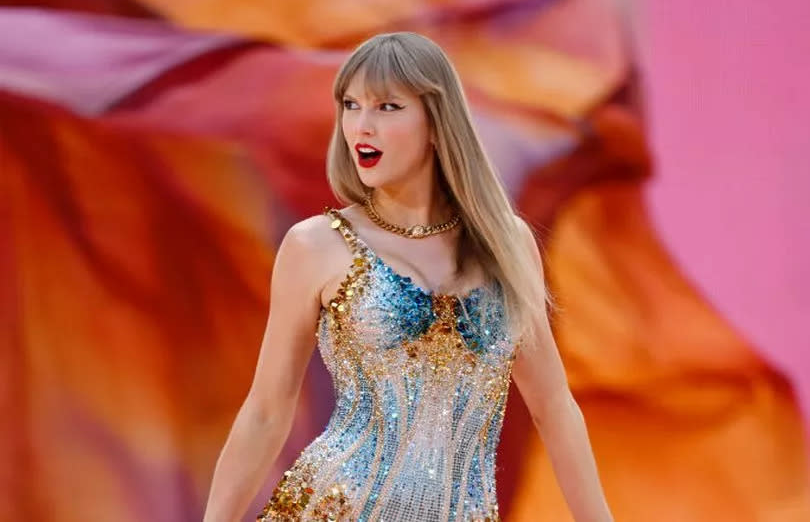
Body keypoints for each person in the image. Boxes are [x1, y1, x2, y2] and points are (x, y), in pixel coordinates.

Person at [203, 31, 613, 522]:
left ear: (437, 122)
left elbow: (552, 406)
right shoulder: (315, 245)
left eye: (387, 107)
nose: (362, 126)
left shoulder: (507, 244)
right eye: (351, 106)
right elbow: (267, 412)